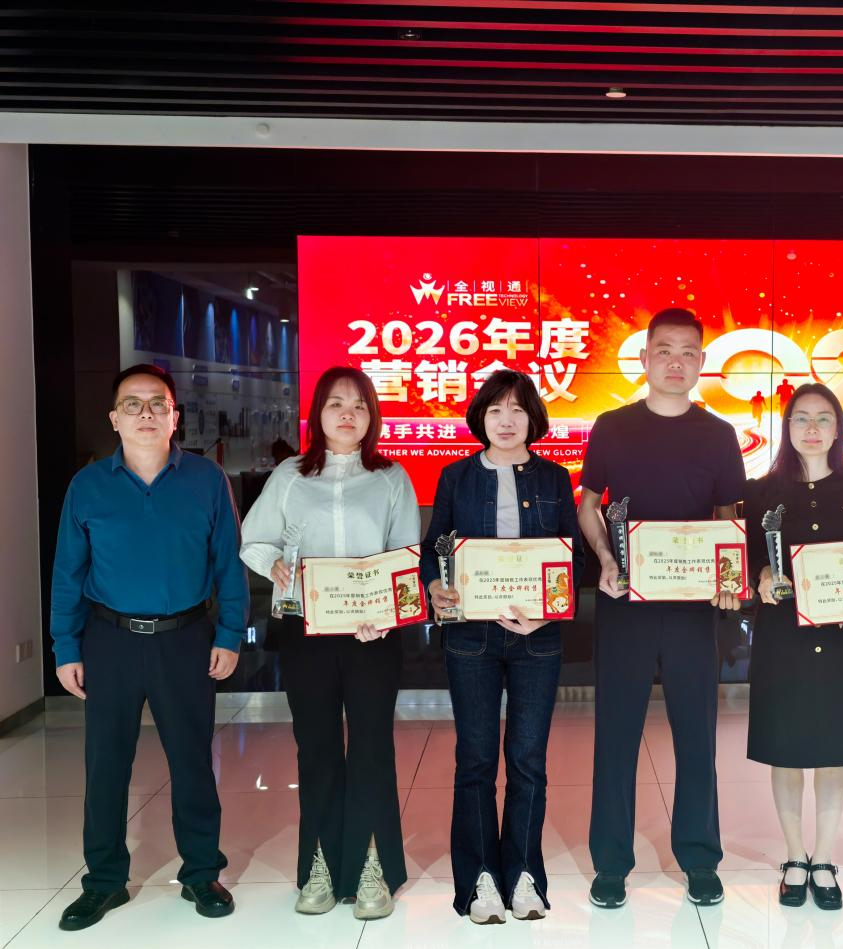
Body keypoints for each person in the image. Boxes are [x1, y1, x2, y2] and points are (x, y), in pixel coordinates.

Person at [50, 364, 247, 931]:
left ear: (174, 416)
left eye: (157, 403)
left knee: (192, 762)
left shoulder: (206, 479)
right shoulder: (88, 486)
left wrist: (229, 634)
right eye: (132, 405)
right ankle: (104, 881)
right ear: (114, 419)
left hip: (185, 639)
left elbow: (228, 565)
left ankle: (201, 873)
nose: (146, 414)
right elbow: (68, 572)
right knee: (105, 766)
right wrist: (66, 646)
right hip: (108, 639)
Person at [578, 308, 746, 909]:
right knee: (615, 734)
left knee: (696, 735)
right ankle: (611, 864)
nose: (677, 361)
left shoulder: (719, 434)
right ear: (645, 358)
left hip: (692, 608)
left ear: (701, 363)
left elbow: (728, 519)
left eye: (689, 352)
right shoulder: (612, 426)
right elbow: (589, 504)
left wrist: (729, 578)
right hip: (625, 603)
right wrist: (605, 558)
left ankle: (699, 858)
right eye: (665, 350)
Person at [239, 366, 420, 921]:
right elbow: (253, 539)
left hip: (373, 634)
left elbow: (405, 556)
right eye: (337, 403)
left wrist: (386, 615)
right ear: (318, 413)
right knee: (315, 747)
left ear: (372, 416)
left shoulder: (391, 478)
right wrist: (275, 564)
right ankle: (319, 863)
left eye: (360, 405)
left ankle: (371, 866)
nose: (348, 414)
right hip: (307, 631)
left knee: (371, 747)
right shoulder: (291, 475)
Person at [421, 370, 584, 925]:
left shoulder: (556, 478)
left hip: (538, 636)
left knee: (528, 761)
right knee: (476, 759)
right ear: (481, 419)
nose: (506, 420)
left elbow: (572, 557)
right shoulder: (456, 477)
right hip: (472, 636)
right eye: (495, 410)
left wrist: (548, 609)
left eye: (517, 409)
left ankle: (523, 875)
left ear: (532, 418)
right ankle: (479, 880)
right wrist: (436, 587)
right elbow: (434, 549)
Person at [744, 383, 843, 913]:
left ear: (838, 428)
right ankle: (794, 856)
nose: (812, 428)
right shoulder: (762, 491)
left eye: (824, 418)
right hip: (783, 635)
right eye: (801, 418)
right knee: (786, 747)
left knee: (834, 747)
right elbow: (751, 558)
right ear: (787, 427)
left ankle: (823, 857)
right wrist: (761, 576)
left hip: (842, 635)